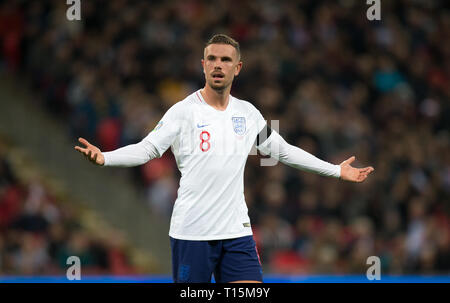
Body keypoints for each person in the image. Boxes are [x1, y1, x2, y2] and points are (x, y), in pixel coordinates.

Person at [74, 34, 375, 283]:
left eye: (226, 60)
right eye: (213, 59)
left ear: (238, 68)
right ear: (203, 65)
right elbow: (148, 148)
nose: (218, 65)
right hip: (192, 232)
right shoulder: (183, 111)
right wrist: (106, 158)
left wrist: (335, 171)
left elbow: (282, 151)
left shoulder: (248, 113)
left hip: (236, 233)